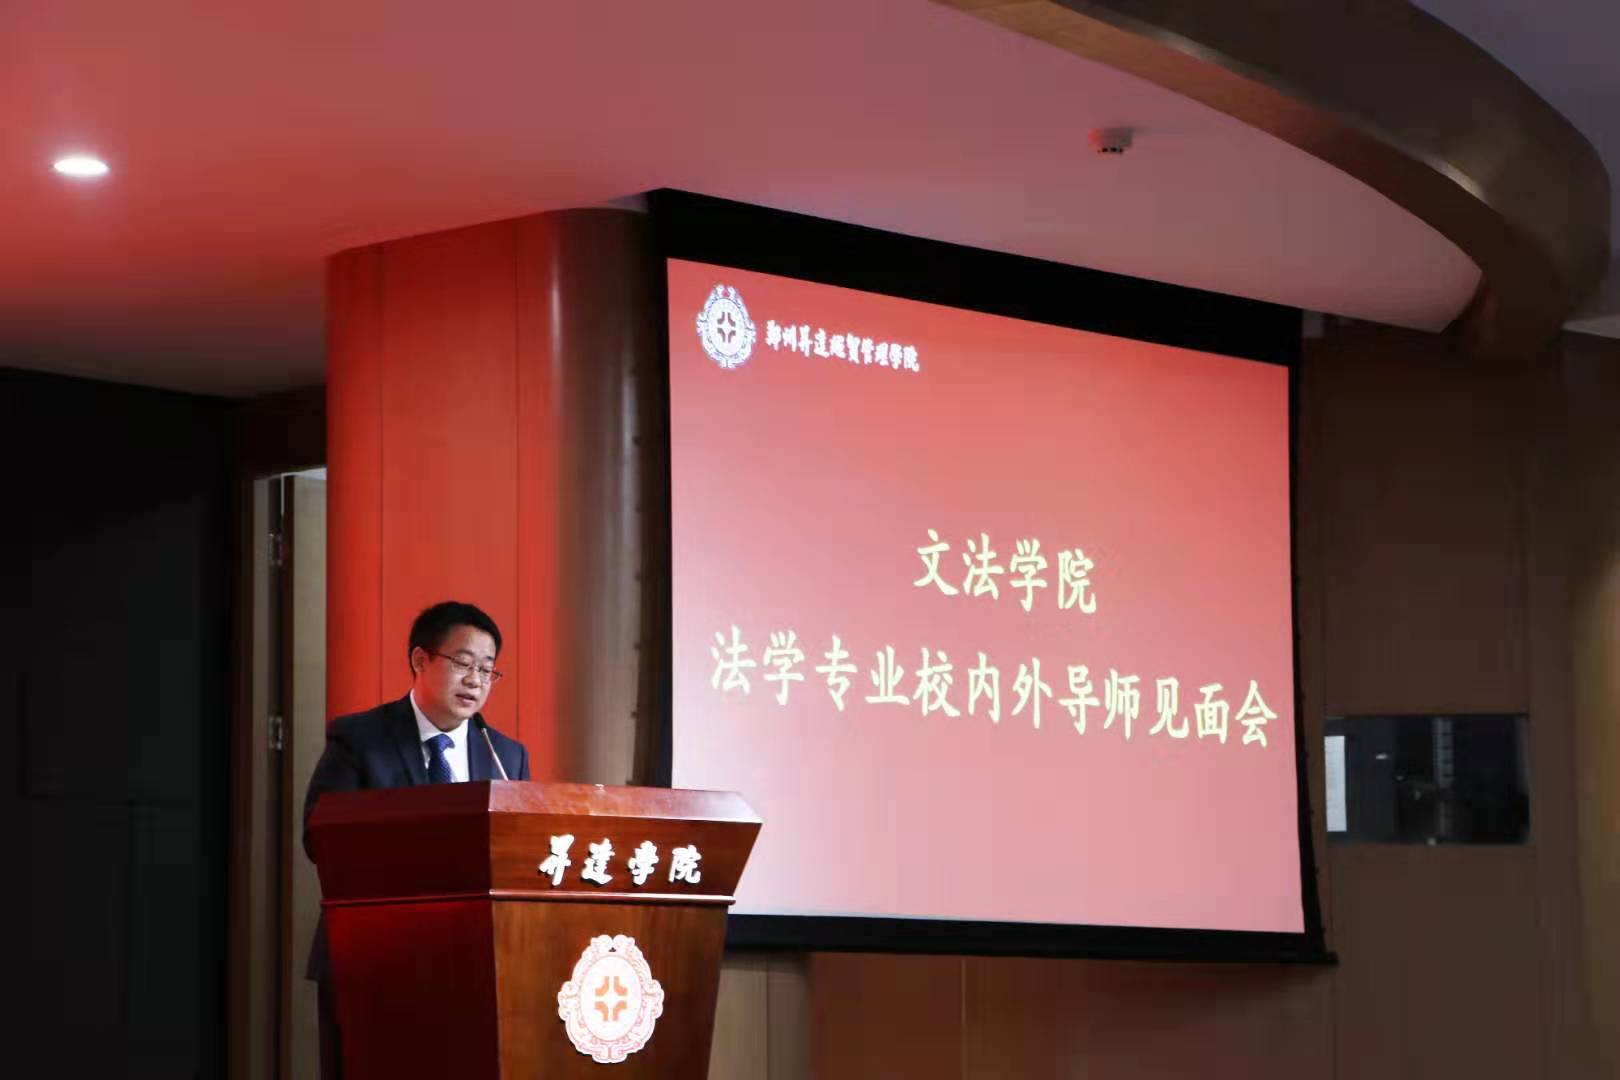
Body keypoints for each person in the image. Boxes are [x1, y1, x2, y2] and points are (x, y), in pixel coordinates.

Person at [302, 600, 531, 1078]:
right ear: (420, 660)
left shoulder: (507, 756)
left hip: (474, 966)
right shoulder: (361, 738)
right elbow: (320, 837)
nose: (475, 681)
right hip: (373, 960)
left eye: (487, 670)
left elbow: (522, 853)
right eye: (463, 663)